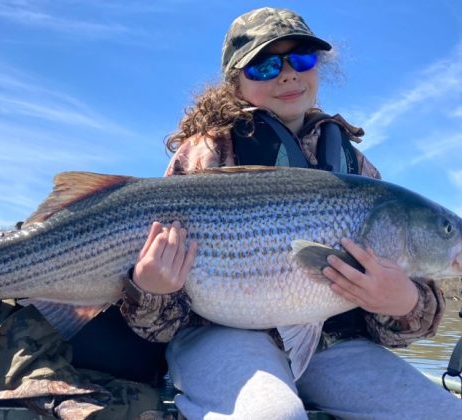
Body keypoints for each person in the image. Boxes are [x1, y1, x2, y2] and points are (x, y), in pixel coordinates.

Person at [120, 7, 462, 419]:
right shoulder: (205, 152)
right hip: (219, 336)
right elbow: (156, 321)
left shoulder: (359, 169)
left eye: (301, 59)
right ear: (235, 81)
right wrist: (151, 287)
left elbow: (410, 320)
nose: (287, 74)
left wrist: (403, 301)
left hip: (331, 345)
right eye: (264, 65)